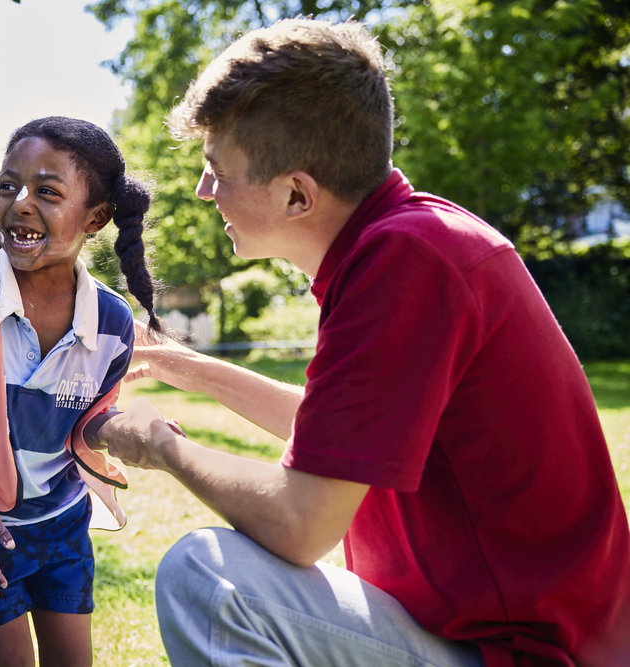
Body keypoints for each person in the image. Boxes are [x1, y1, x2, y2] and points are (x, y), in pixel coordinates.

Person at [98, 17, 630, 667]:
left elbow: (302, 522)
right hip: (483, 634)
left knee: (208, 576)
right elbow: (349, 434)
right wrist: (195, 369)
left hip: (517, 652)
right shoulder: (408, 242)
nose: (205, 191)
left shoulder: (405, 262)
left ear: (298, 193)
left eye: (217, 171)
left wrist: (161, 446)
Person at [0, 116, 162, 667]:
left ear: (94, 218)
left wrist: (127, 430)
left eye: (47, 191)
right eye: (7, 185)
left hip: (63, 518)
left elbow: (89, 418)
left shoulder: (111, 322)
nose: (19, 202)